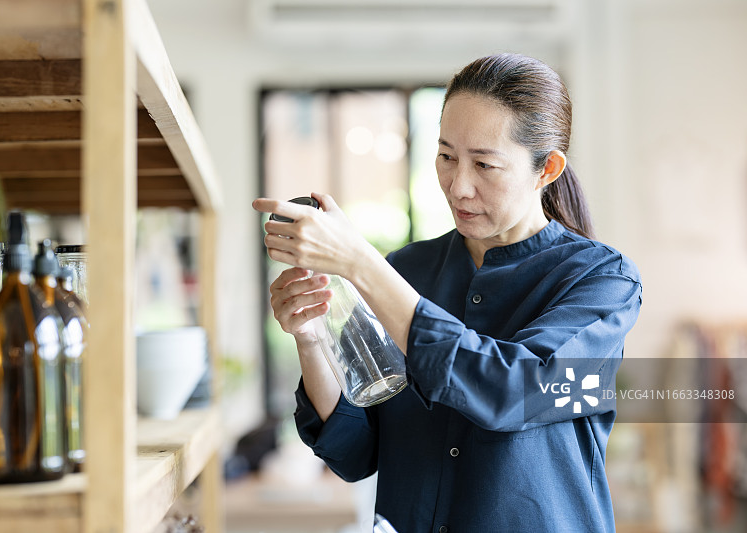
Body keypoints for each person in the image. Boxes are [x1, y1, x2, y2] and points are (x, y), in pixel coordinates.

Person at [253, 53, 642, 533]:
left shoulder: (601, 281)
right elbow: (355, 453)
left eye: (485, 164)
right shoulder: (406, 271)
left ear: (547, 169)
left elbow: (514, 391)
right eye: (446, 156)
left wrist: (361, 263)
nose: (459, 185)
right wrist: (312, 338)